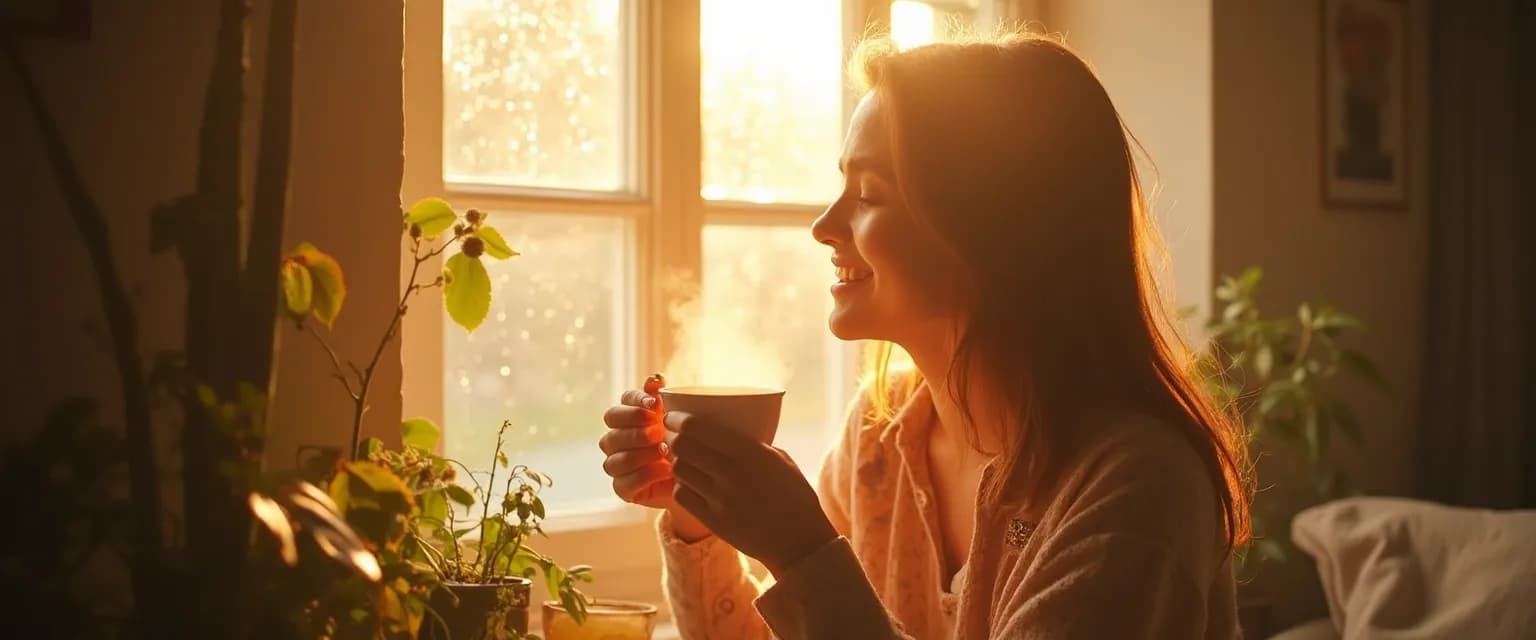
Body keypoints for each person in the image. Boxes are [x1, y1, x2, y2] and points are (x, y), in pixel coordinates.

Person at [598, 31, 1250, 639]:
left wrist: (801, 551)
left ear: (989, 228)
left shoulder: (1137, 487)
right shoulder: (880, 440)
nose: (825, 225)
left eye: (870, 192)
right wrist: (699, 512)